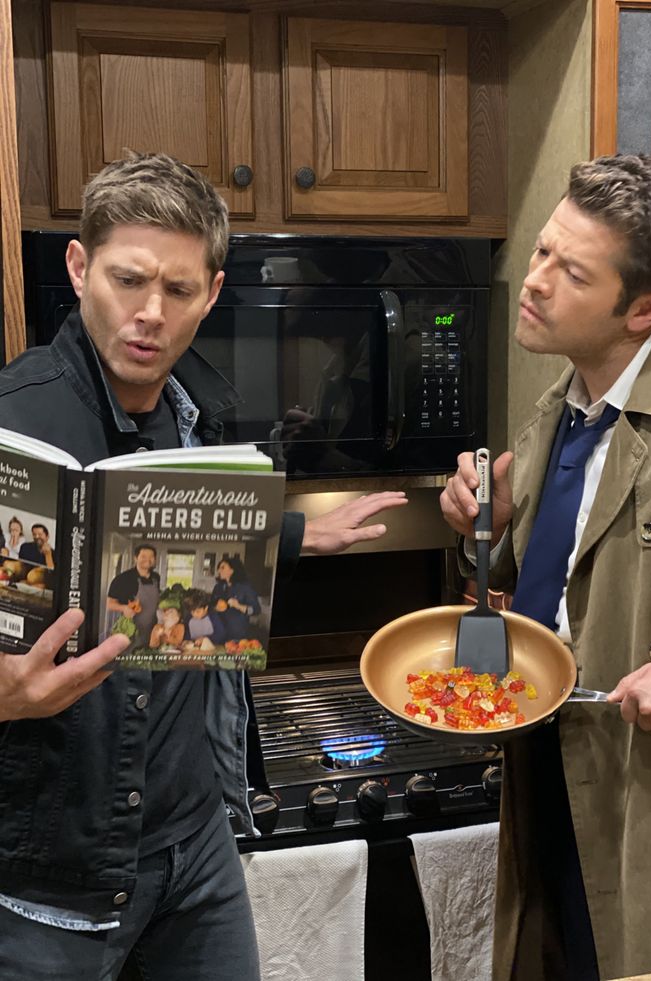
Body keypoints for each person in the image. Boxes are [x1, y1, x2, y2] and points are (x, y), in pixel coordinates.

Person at [0, 151, 408, 981]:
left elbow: (178, 559)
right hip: (51, 878)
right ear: (80, 269)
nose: (149, 313)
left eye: (179, 290)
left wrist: (292, 536)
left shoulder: (206, 408)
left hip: (196, 848)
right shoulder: (14, 419)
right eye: (127, 279)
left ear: (212, 293)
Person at [440, 155, 651, 981]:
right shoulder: (561, 409)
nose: (533, 282)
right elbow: (543, 586)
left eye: (569, 271)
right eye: (541, 252)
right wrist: (475, 523)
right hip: (553, 791)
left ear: (647, 307)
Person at [106, 543, 160, 646]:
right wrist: (124, 608)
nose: (148, 559)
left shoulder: (156, 577)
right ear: (136, 558)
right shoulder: (123, 579)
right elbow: (110, 604)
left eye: (151, 557)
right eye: (143, 556)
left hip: (151, 629)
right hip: (130, 629)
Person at [210, 556, 260, 642]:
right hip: (218, 633)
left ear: (232, 570)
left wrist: (239, 606)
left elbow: (256, 610)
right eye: (219, 568)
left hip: (237, 634)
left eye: (222, 568)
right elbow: (211, 606)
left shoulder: (245, 588)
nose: (218, 571)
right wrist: (215, 608)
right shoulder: (218, 587)